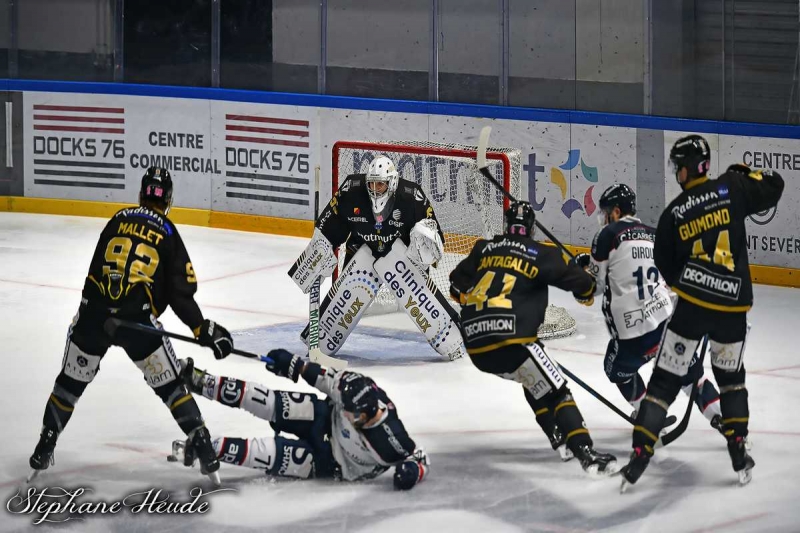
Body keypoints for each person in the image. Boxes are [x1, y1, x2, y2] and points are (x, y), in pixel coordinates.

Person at [27, 167, 234, 484]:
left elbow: (93, 274)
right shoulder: (166, 230)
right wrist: (202, 330)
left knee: (69, 384)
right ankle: (204, 447)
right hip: (137, 322)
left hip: (94, 316)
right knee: (171, 386)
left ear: (140, 195)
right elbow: (181, 295)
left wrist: (93, 315)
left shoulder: (118, 218)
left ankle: (46, 444)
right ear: (167, 200)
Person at [621, 135, 784, 490]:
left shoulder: (673, 213)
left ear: (683, 169)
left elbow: (665, 264)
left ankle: (640, 454)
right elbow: (775, 185)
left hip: (693, 308)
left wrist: (692, 284)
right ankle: (738, 450)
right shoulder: (733, 187)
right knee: (731, 379)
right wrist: (747, 173)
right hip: (732, 309)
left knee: (664, 380)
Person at [449, 200, 618, 475]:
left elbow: (456, 286)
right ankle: (585, 452)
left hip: (476, 345)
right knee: (558, 390)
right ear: (530, 229)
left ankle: (558, 438)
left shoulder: (483, 248)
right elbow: (583, 287)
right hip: (513, 340)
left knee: (533, 379)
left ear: (506, 226)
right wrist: (585, 280)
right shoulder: (539, 252)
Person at [576, 184, 724, 431]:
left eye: (605, 212)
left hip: (633, 334)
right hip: (667, 322)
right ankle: (723, 418)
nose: (603, 218)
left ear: (615, 211)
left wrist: (577, 274)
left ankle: (648, 416)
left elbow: (592, 287)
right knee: (689, 375)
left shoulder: (608, 235)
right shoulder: (655, 234)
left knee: (616, 371)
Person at [289, 155, 466, 361]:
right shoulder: (351, 192)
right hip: (362, 248)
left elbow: (435, 241)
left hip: (400, 256)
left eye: (380, 184)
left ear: (391, 183)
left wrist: (425, 242)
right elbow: (329, 226)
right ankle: (318, 338)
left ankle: (453, 336)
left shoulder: (412, 197)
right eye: (371, 184)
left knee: (420, 298)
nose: (375, 189)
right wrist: (319, 251)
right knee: (346, 300)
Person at [173, 350, 429, 489]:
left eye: (350, 412)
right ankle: (201, 380)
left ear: (365, 416)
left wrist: (413, 471)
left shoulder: (391, 438)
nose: (346, 410)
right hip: (323, 417)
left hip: (330, 461)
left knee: (266, 452)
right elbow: (325, 379)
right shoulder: (353, 386)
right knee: (263, 398)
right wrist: (293, 365)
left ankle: (207, 448)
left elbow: (419, 457)